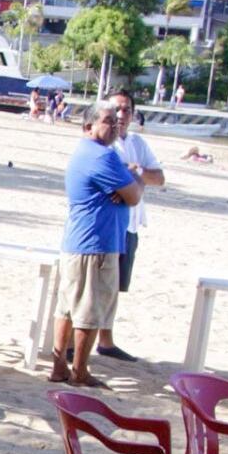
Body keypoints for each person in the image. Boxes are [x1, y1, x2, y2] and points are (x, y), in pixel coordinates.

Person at [51, 99, 143, 387]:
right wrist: (135, 176)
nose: (114, 125)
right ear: (88, 126)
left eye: (116, 121)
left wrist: (127, 181)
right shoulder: (102, 156)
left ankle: (59, 367)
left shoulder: (87, 152)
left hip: (79, 241)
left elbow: (127, 192)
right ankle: (79, 371)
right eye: (107, 121)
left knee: (68, 307)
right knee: (89, 312)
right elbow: (134, 196)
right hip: (96, 244)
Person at [101, 87, 164, 363]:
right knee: (98, 283)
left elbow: (158, 177)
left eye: (126, 109)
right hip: (109, 221)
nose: (121, 114)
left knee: (116, 286)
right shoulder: (104, 142)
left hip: (132, 223)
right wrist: (131, 177)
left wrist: (136, 171)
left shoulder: (138, 143)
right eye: (116, 108)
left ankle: (106, 339)